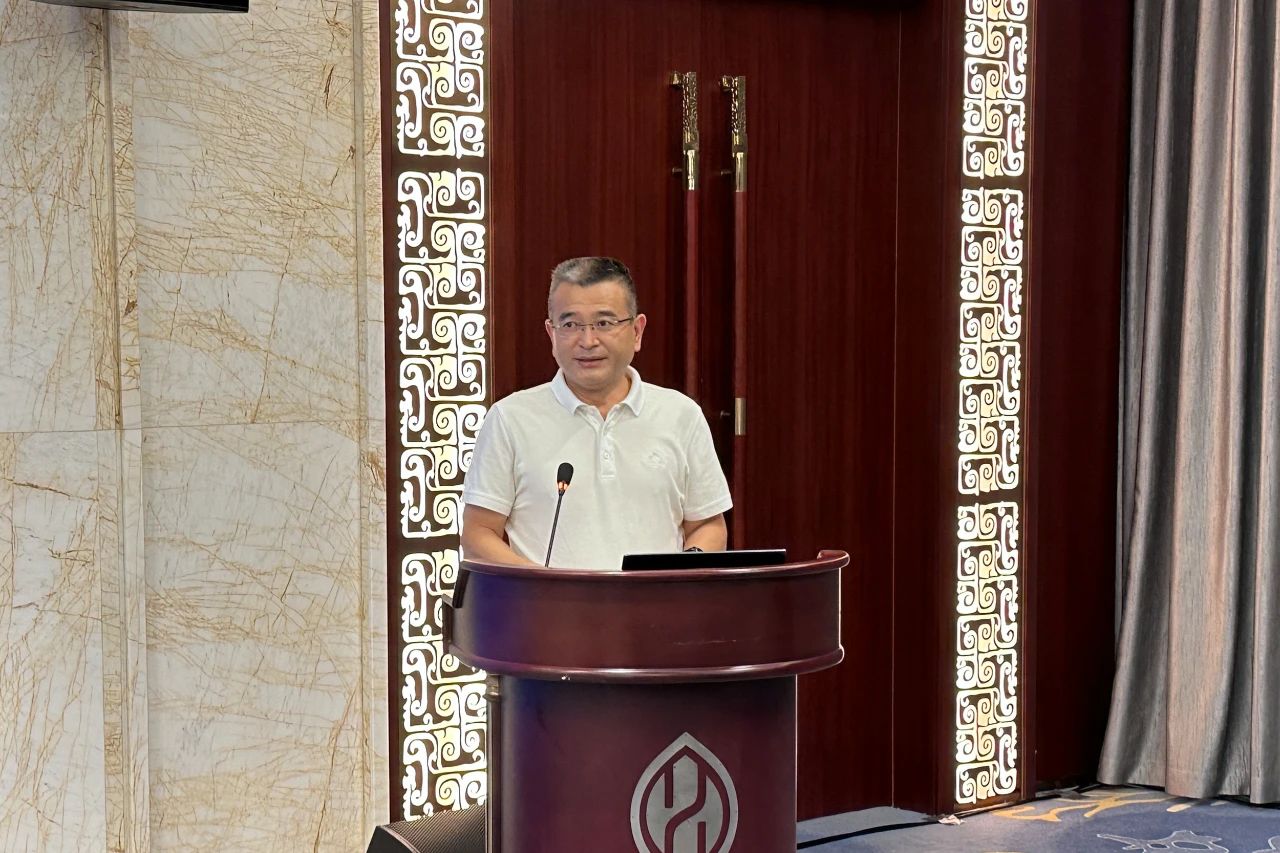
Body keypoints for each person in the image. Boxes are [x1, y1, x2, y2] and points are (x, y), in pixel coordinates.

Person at [460, 257, 731, 569]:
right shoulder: (509, 419)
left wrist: (679, 575)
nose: (587, 341)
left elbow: (708, 524)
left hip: (656, 600)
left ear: (637, 331)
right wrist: (545, 585)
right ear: (551, 334)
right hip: (548, 601)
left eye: (604, 323)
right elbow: (478, 533)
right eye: (570, 325)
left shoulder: (681, 415)